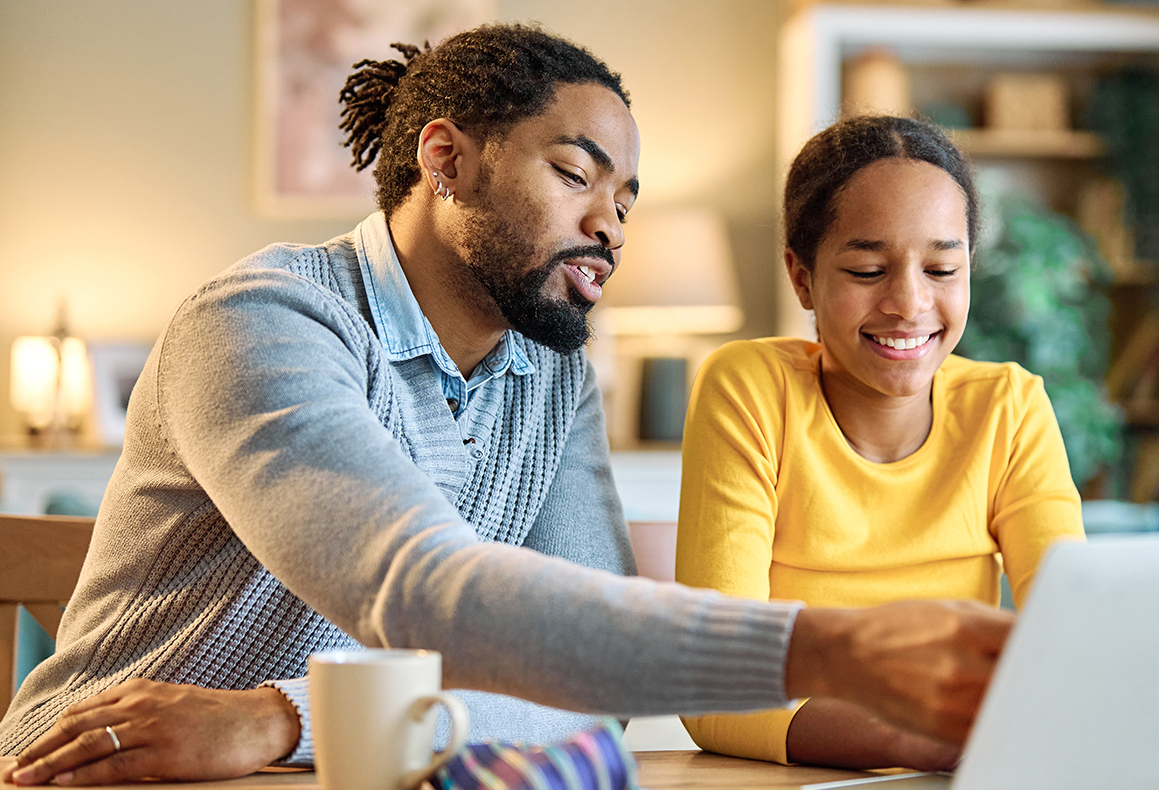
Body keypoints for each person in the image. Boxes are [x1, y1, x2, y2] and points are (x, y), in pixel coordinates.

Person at [0, 28, 1014, 787]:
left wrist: (279, 718)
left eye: (623, 201)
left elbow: (586, 690)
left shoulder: (547, 374)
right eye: (576, 174)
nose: (607, 227)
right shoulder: (267, 322)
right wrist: (829, 648)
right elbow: (419, 586)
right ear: (445, 161)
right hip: (97, 768)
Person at [675, 115, 1085, 770]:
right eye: (869, 269)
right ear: (803, 278)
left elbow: (1075, 636)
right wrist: (915, 742)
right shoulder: (749, 390)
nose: (909, 302)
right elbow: (718, 683)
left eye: (943, 268)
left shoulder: (1009, 407)